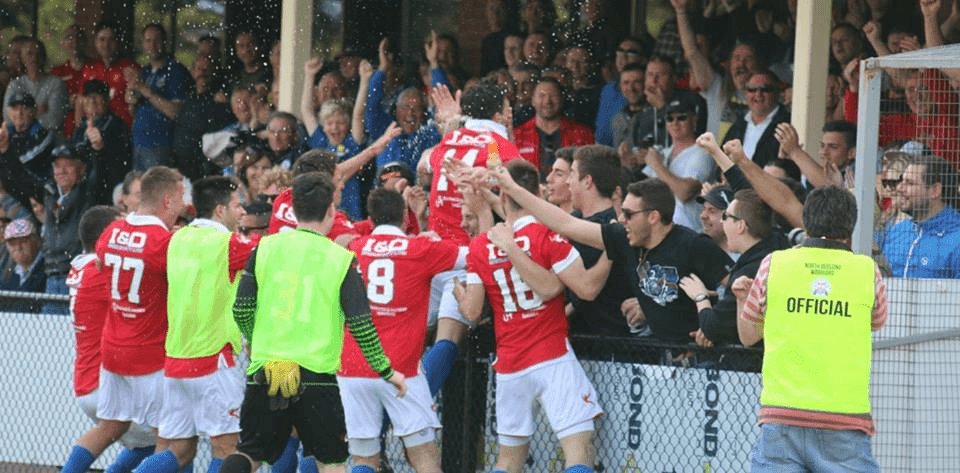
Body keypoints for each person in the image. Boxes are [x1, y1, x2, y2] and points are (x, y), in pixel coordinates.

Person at [220, 172, 406, 473]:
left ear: (292, 210)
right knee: (330, 462)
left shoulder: (265, 248)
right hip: (315, 374)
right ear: (332, 210)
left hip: (271, 368)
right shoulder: (341, 259)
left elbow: (241, 309)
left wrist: (257, 341)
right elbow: (361, 325)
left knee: (248, 454)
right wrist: (387, 370)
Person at [454, 159, 607, 473]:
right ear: (536, 192)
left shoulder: (481, 245)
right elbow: (564, 288)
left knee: (508, 461)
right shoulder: (546, 234)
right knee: (579, 452)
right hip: (551, 357)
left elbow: (471, 311)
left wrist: (458, 294)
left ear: (505, 196)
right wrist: (613, 253)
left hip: (510, 366)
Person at [736, 186, 887, 473]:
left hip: (781, 414)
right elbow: (878, 321)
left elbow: (750, 334)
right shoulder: (867, 271)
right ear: (850, 225)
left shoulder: (774, 264)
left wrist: (744, 299)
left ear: (806, 222)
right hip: (843, 418)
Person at [490, 169, 732, 345]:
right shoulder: (625, 239)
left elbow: (740, 289)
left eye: (629, 214)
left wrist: (713, 324)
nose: (622, 219)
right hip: (658, 360)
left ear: (653, 217)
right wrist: (512, 189)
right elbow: (567, 224)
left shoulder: (694, 245)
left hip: (700, 361)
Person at [60, 166, 186, 473]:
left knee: (111, 428)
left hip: (112, 355)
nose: (184, 205)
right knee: (172, 444)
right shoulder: (163, 242)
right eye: (181, 197)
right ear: (167, 201)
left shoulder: (111, 235)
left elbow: (105, 263)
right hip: (147, 354)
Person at [132, 177, 257, 473]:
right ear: (219, 210)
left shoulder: (176, 239)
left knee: (180, 450)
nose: (241, 212)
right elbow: (275, 256)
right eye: (237, 205)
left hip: (176, 359)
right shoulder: (229, 244)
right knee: (227, 449)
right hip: (215, 361)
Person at [342, 188, 466, 473]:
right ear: (404, 217)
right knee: (424, 458)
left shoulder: (354, 249)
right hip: (400, 369)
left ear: (371, 220)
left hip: (352, 366)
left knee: (364, 460)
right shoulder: (420, 249)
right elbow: (475, 256)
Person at [418, 82, 525, 396]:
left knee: (403, 334)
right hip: (466, 260)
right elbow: (509, 173)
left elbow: (425, 164)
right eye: (507, 108)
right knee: (449, 340)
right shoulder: (495, 144)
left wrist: (451, 127)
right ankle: (414, 409)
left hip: (433, 252)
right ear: (499, 112)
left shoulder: (449, 140)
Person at [68, 205, 158, 473]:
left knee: (145, 445)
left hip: (89, 379)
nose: (125, 236)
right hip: (106, 381)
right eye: (120, 230)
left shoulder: (81, 268)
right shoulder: (101, 271)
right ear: (106, 235)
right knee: (175, 441)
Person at [680, 189, 784, 347]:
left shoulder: (747, 272)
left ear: (741, 225)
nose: (722, 222)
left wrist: (700, 297)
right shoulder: (778, 243)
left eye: (725, 216)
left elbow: (713, 328)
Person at [564, 145, 634, 337]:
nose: (568, 181)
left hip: (608, 349)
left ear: (587, 181)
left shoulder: (606, 228)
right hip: (588, 343)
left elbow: (584, 291)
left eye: (572, 174)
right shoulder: (579, 218)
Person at [640, 94, 715, 232]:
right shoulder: (664, 153)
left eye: (681, 117)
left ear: (694, 119)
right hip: (662, 232)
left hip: (691, 233)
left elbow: (685, 193)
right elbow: (647, 193)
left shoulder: (702, 152)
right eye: (670, 118)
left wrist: (657, 166)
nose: (675, 123)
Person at [37, 144, 96, 314]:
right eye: (57, 166)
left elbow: (102, 172)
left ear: (81, 169)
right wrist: (5, 152)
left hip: (75, 276)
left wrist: (98, 151)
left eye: (68, 166)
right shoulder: (49, 193)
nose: (61, 171)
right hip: (51, 277)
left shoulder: (89, 194)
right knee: (48, 335)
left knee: (73, 333)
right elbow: (20, 180)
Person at [124, 23, 192, 170]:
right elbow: (134, 112)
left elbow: (177, 112)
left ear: (165, 42)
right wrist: (131, 98)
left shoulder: (175, 70)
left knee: (155, 190)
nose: (152, 45)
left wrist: (146, 90)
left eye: (157, 40)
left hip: (161, 145)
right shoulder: (144, 71)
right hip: (139, 142)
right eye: (148, 40)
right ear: (143, 44)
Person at [882, 154, 960, 278]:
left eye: (910, 183)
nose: (899, 188)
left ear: (935, 190)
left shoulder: (956, 238)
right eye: (902, 181)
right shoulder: (897, 231)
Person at [624, 55, 707, 151]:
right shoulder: (642, 106)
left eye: (661, 74)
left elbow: (690, 143)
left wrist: (662, 107)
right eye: (650, 74)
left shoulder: (692, 101)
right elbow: (638, 146)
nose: (654, 81)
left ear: (674, 78)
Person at [721, 70, 794, 178]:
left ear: (777, 92)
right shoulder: (738, 124)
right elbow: (721, 159)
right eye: (752, 89)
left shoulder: (787, 123)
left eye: (765, 89)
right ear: (745, 93)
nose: (758, 94)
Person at [514, 77, 594, 175]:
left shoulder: (582, 133)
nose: (548, 101)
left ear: (562, 99)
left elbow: (590, 171)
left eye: (553, 95)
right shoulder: (516, 135)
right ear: (533, 100)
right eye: (542, 95)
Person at [72, 79, 132, 205]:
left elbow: (118, 159)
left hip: (106, 187)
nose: (92, 101)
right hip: (81, 187)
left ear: (106, 99)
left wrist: (100, 146)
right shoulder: (81, 126)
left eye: (97, 96)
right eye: (88, 97)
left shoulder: (116, 124)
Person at [3, 37, 68, 138]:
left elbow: (55, 121)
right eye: (29, 53)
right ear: (22, 57)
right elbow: (8, 118)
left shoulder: (56, 83)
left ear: (44, 57)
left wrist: (23, 116)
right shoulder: (15, 84)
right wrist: (38, 110)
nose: (34, 58)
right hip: (20, 143)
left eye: (39, 54)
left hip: (49, 143)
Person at [0, 91, 55, 210]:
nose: (19, 113)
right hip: (12, 189)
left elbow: (24, 163)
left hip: (37, 194)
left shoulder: (44, 134)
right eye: (15, 108)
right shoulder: (7, 132)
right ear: (9, 113)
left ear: (33, 112)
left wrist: (5, 150)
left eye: (24, 108)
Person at [82, 21, 138, 127]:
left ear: (118, 42)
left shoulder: (130, 68)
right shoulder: (89, 68)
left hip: (123, 130)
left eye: (111, 39)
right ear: (95, 42)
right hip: (95, 129)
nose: (106, 44)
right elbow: (81, 103)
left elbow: (137, 104)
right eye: (102, 39)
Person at [0, 218, 45, 313]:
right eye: (12, 243)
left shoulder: (46, 269)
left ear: (35, 240)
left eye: (23, 241)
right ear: (7, 246)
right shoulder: (5, 273)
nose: (18, 247)